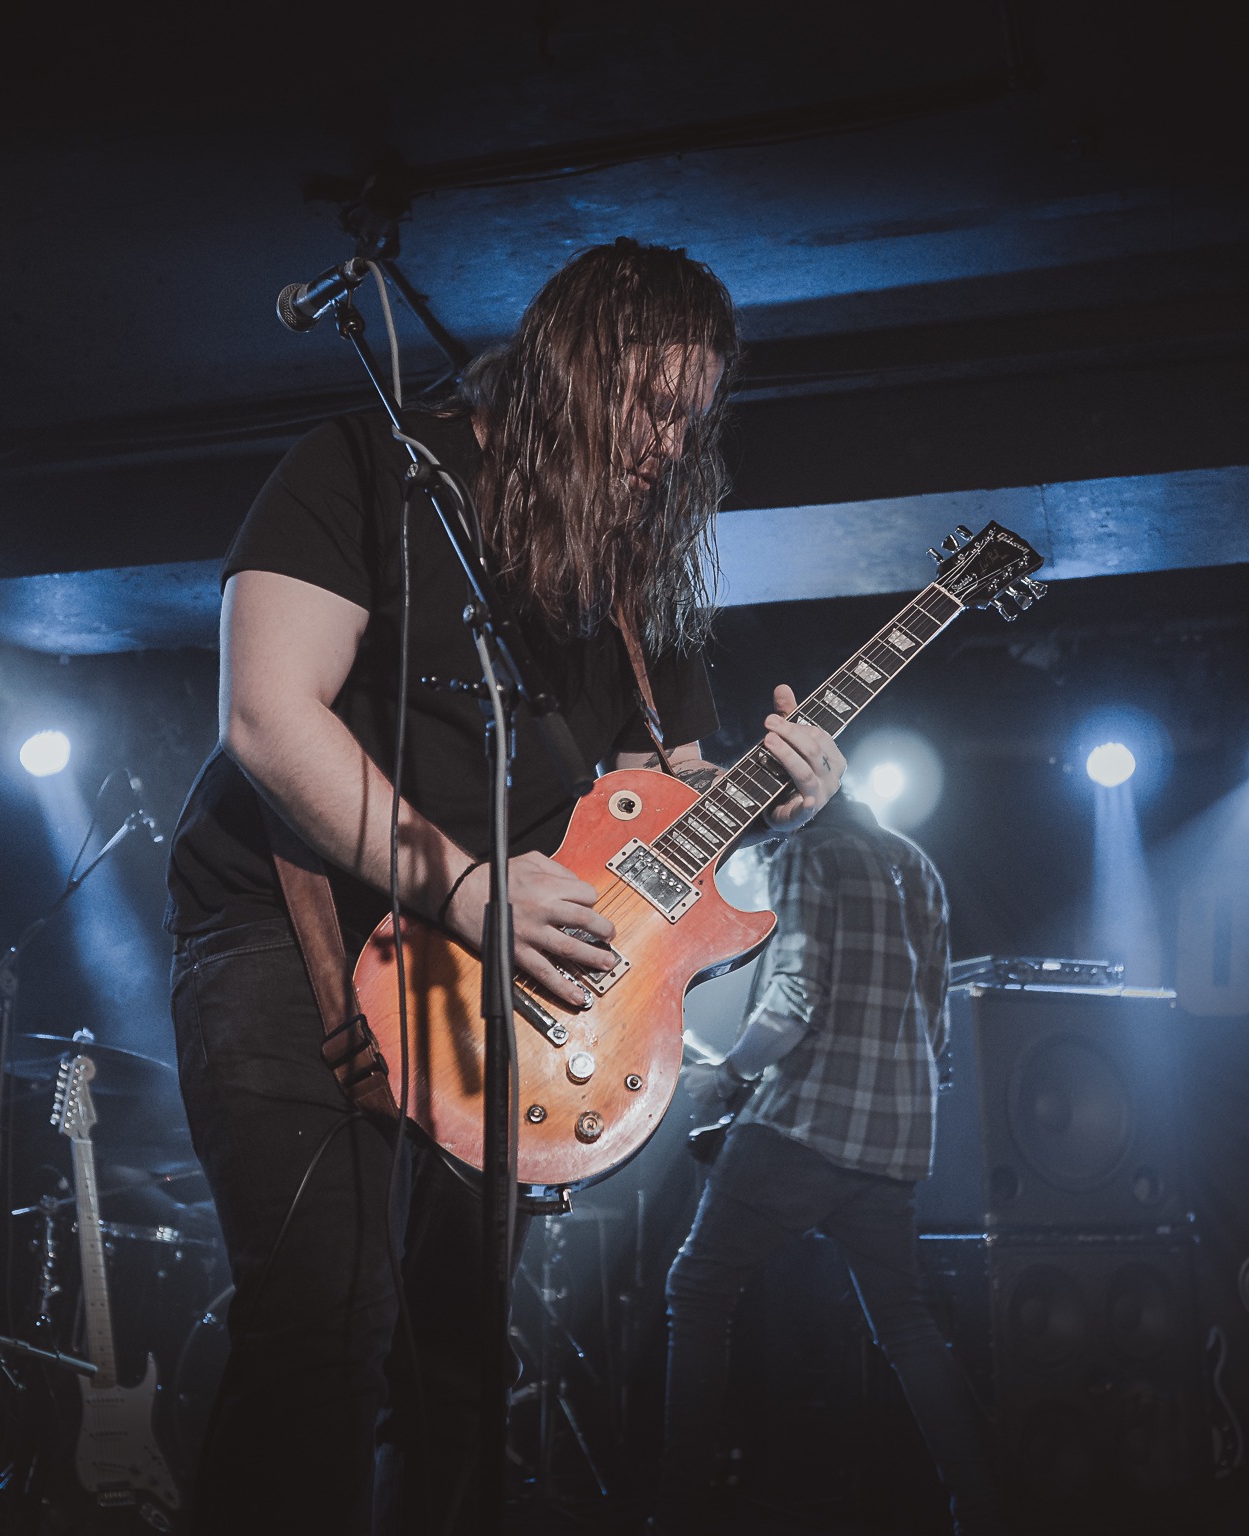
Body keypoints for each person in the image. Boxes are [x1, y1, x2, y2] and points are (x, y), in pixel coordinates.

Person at [163, 238, 846, 1534]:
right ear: (567, 368)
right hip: (294, 931)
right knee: (324, 1332)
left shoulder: (623, 580)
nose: (664, 445)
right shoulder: (363, 468)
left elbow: (662, 804)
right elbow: (266, 716)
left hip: (488, 978)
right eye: (645, 404)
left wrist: (776, 794)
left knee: (461, 1363)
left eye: (688, 421)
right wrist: (472, 885)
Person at [660, 792, 1005, 1535]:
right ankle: (982, 1512)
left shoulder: (809, 853)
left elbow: (795, 998)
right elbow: (935, 1024)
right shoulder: (917, 863)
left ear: (792, 807)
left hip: (804, 1126)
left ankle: (676, 1514)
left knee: (697, 1289)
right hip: (897, 1135)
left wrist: (726, 1075)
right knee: (905, 1324)